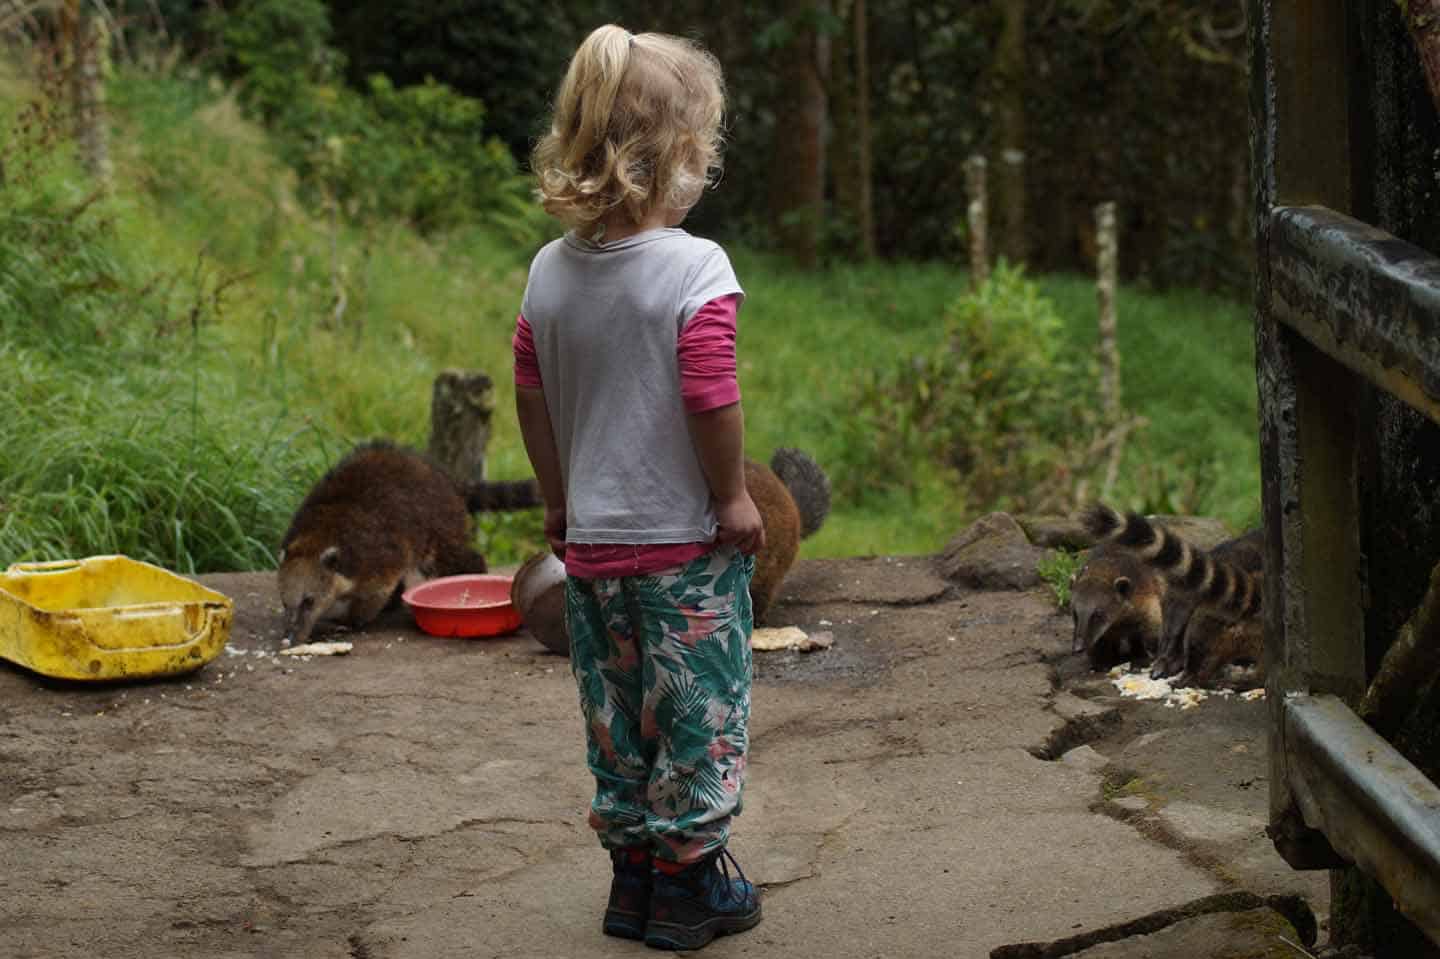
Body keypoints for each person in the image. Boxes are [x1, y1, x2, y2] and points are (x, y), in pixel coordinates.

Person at [512, 23, 765, 952]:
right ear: (673, 162)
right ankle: (691, 887)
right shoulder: (696, 267)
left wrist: (558, 498)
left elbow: (530, 388)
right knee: (699, 714)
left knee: (617, 718)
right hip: (684, 554)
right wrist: (732, 495)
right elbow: (709, 392)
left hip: (592, 555)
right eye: (702, 154)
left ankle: (631, 885)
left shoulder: (548, 271)